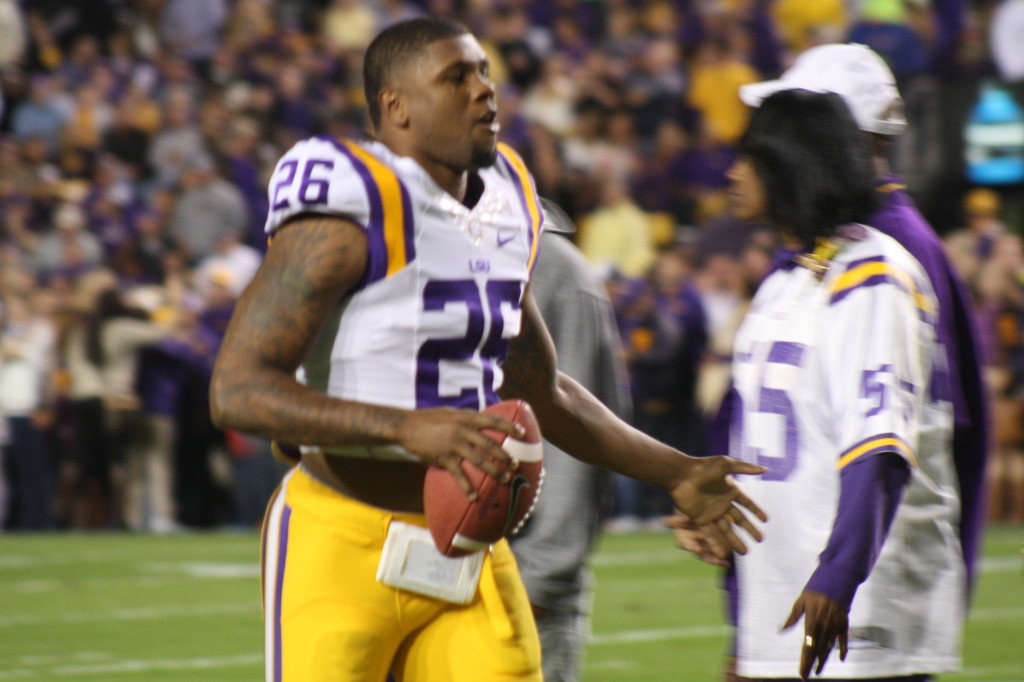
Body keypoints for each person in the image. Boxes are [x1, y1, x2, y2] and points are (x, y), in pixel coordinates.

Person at [209, 18, 767, 682]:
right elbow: (237, 389)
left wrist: (674, 471)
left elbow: (544, 389)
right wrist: (406, 428)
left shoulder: (506, 205)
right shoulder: (348, 208)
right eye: (456, 77)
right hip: (340, 541)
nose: (484, 91)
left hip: (467, 546)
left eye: (485, 73)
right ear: (397, 107)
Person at [672, 88, 961, 681]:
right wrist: (715, 517)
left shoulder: (873, 278)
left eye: (751, 157)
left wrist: (837, 575)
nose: (733, 172)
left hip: (856, 612)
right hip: (779, 599)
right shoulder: (786, 282)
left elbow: (880, 451)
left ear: (792, 163)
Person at [508, 198, 631, 682]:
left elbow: (574, 439)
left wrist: (542, 581)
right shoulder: (447, 250)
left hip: (519, 579)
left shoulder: (558, 273)